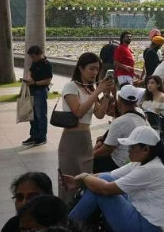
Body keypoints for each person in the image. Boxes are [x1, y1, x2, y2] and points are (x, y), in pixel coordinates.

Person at [65, 126, 164, 232]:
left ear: (145, 149)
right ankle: (71, 223)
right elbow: (109, 174)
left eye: (132, 147)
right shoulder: (143, 162)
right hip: (140, 214)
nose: (128, 151)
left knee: (100, 191)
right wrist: (78, 182)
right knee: (105, 178)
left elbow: (106, 189)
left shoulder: (151, 169)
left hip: (146, 226)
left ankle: (67, 226)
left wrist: (84, 177)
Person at [58, 52, 114, 205]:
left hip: (85, 138)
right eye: (91, 69)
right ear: (81, 68)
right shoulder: (71, 86)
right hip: (71, 140)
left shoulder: (90, 89)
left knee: (86, 178)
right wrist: (98, 90)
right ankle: (66, 213)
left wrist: (107, 94)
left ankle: (83, 213)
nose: (95, 73)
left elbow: (100, 114)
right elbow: (78, 111)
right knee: (68, 180)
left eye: (97, 69)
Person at [93, 85, 148, 173]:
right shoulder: (140, 111)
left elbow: (106, 150)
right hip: (138, 160)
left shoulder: (119, 122)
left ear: (119, 99)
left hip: (120, 164)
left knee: (93, 161)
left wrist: (90, 156)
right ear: (136, 101)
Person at [22, 46, 53, 146]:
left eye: (33, 56)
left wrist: (34, 83)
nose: (32, 58)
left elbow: (48, 81)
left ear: (39, 54)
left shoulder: (47, 65)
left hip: (40, 91)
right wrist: (29, 78)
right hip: (31, 90)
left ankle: (42, 137)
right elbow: (30, 71)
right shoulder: (35, 62)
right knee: (32, 115)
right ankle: (34, 136)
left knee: (40, 115)